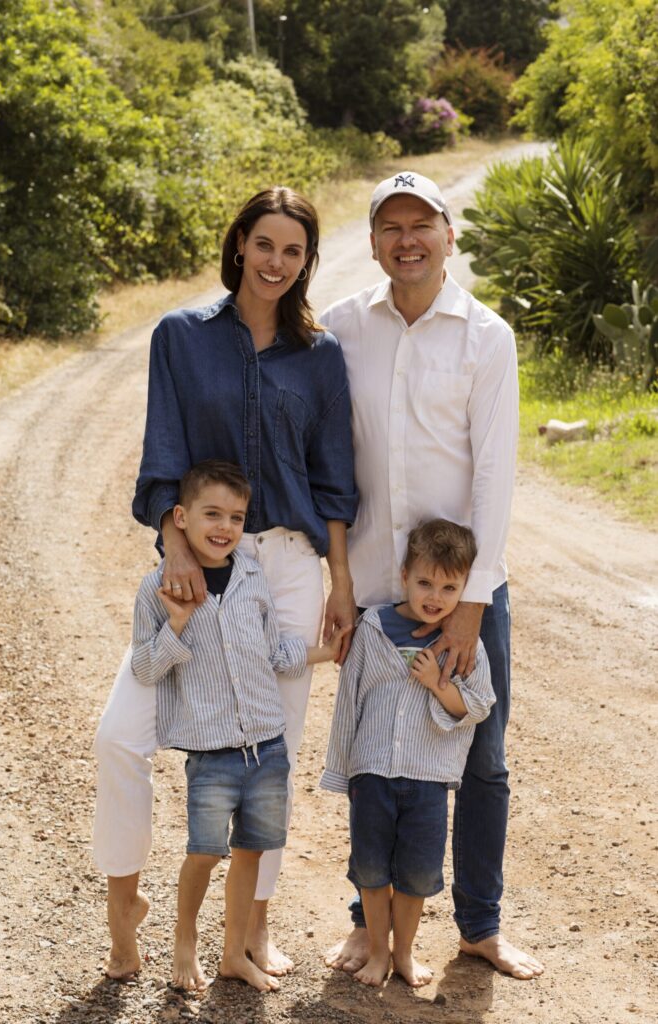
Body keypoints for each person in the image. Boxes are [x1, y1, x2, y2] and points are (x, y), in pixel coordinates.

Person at [93, 187, 358, 981]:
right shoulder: (181, 336)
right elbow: (162, 455)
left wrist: (339, 582)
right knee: (122, 734)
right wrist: (175, 543)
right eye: (264, 244)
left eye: (293, 250)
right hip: (204, 560)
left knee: (269, 758)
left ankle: (249, 933)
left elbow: (333, 481)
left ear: (307, 262)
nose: (276, 262)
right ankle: (123, 904)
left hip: (290, 566)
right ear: (239, 243)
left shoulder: (320, 355)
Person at [320, 171, 543, 980]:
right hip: (377, 588)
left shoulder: (486, 335)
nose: (406, 239)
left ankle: (479, 926)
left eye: (422, 224)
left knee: (479, 758)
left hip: (464, 593)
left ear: (448, 236)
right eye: (391, 226)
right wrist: (339, 581)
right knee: (375, 757)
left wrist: (471, 603)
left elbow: (493, 475)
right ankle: (367, 927)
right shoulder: (342, 327)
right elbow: (328, 460)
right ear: (373, 241)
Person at [131, 460, 348, 991]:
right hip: (212, 753)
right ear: (181, 517)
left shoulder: (252, 578)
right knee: (205, 853)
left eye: (235, 517)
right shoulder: (158, 588)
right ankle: (185, 943)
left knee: (251, 851)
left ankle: (233, 954)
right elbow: (144, 668)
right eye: (212, 514)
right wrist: (177, 624)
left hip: (266, 747)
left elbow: (274, 652)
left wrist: (325, 652)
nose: (224, 527)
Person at [321, 519, 495, 988]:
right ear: (404, 576)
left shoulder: (465, 643)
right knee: (371, 870)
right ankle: (378, 951)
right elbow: (348, 701)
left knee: (417, 874)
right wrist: (342, 772)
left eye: (449, 587)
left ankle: (403, 954)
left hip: (428, 778)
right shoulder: (373, 627)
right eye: (424, 583)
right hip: (372, 773)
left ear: (464, 588)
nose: (435, 597)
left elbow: (479, 705)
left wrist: (438, 685)